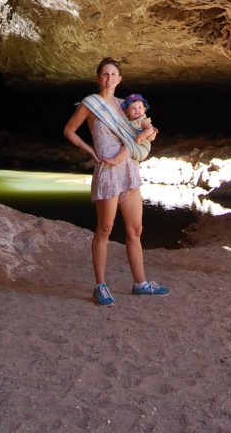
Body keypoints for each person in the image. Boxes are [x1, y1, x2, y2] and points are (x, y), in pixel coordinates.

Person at [63, 57, 170, 305]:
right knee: (104, 230)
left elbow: (143, 125)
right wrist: (90, 152)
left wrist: (150, 130)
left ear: (119, 79)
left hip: (129, 170)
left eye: (113, 74)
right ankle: (100, 285)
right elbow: (68, 131)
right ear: (98, 77)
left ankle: (140, 283)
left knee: (135, 230)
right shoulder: (91, 104)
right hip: (108, 172)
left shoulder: (126, 105)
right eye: (105, 74)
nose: (109, 78)